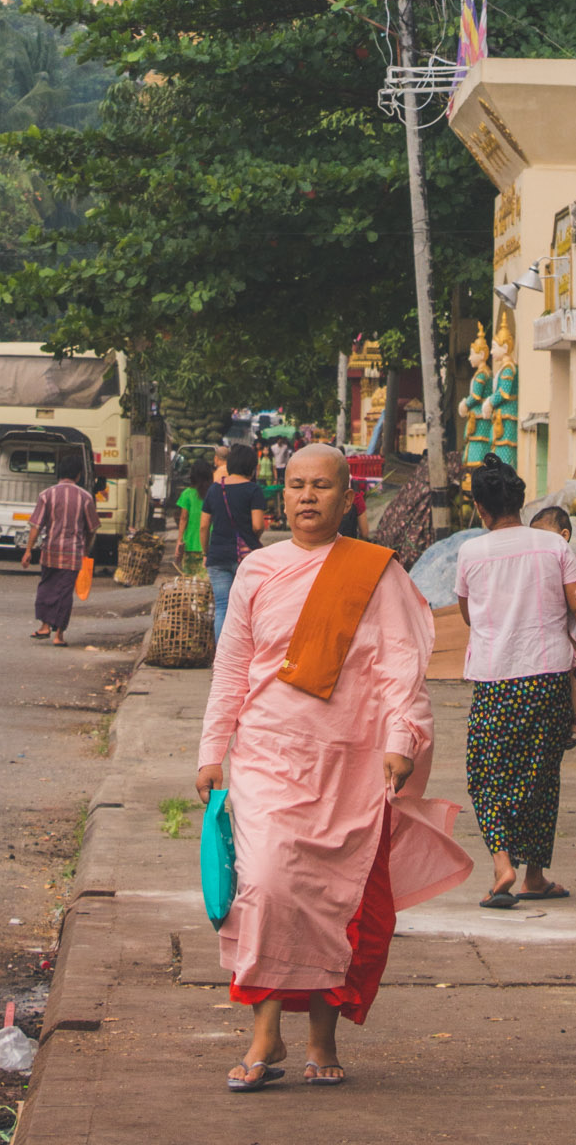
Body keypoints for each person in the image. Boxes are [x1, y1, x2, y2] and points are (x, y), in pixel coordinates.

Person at [195, 444, 471, 1092]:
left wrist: (402, 739)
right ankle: (265, 1034)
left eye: (321, 486)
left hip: (350, 761)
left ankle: (322, 1037)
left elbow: (402, 666)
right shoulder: (258, 570)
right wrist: (212, 751)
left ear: (348, 498)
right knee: (262, 887)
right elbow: (232, 666)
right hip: (266, 755)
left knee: (331, 901)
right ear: (280, 496)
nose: (307, 497)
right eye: (295, 486)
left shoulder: (375, 573)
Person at [455, 454, 576, 908]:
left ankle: (502, 865)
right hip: (550, 674)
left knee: (485, 772)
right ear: (519, 501)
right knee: (541, 776)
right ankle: (535, 874)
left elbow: (468, 612)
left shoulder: (471, 551)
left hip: (496, 678)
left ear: (481, 508)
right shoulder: (554, 547)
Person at [531, 504, 576, 747]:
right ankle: (572, 715)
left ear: (563, 537)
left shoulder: (567, 556)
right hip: (559, 626)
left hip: (572, 629)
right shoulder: (543, 560)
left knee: (567, 674)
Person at [22, 454, 98, 646]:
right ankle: (59, 636)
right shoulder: (86, 498)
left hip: (50, 551)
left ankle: (45, 626)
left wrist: (28, 550)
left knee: (46, 587)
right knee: (64, 593)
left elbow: (36, 526)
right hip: (73, 554)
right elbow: (92, 529)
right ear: (78, 475)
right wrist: (85, 550)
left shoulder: (46, 495)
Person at [198, 444, 266, 640]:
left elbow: (204, 526)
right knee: (248, 608)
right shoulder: (253, 490)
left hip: (217, 556)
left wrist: (205, 552)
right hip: (247, 558)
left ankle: (222, 659)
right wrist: (253, 538)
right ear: (251, 467)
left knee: (222, 607)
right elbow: (257, 525)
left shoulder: (214, 489)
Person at [173, 458, 210, 575]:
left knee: (190, 583)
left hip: (190, 544)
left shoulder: (187, 494)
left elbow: (183, 518)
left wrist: (179, 540)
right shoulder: (212, 493)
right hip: (208, 544)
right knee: (205, 584)